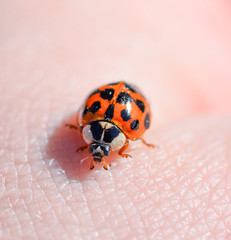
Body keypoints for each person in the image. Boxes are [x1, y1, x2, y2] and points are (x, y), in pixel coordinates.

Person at [1, 1, 230, 239]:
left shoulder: (92, 125)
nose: (97, 153)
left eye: (95, 147)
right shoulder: (95, 126)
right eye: (100, 148)